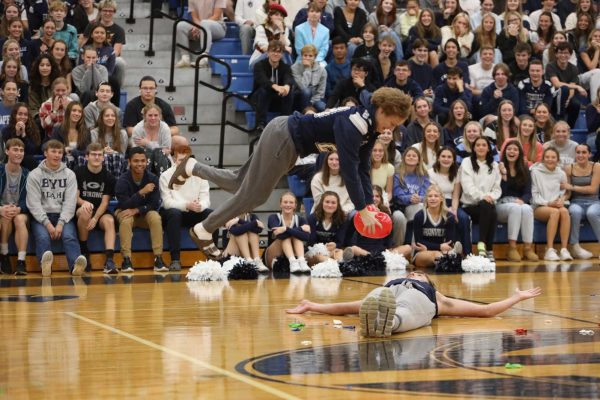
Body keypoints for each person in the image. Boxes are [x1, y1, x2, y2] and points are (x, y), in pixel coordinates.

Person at [168, 87, 412, 254]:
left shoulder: (370, 129)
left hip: (286, 138)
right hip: (285, 138)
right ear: (382, 110)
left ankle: (192, 166)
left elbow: (362, 170)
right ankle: (204, 229)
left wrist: (369, 204)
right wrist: (361, 208)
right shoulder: (356, 123)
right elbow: (348, 168)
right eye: (390, 123)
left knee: (238, 182)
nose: (389, 129)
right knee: (254, 196)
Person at [286, 270, 543, 337]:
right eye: (413, 273)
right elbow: (346, 307)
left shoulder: (436, 296)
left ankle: (389, 323)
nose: (415, 274)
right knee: (369, 302)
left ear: (429, 281)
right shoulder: (388, 285)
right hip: (385, 295)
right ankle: (378, 319)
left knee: (405, 310)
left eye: (420, 274)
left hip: (418, 301)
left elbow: (484, 311)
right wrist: (312, 305)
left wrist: (516, 297)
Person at [25, 139, 87, 276]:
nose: (57, 155)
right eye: (53, 151)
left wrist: (60, 223)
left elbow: (70, 202)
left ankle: (75, 266)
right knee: (42, 237)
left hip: (63, 216)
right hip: (41, 216)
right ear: (45, 153)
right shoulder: (34, 174)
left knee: (69, 236)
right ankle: (45, 266)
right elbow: (33, 203)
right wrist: (47, 224)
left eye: (60, 152)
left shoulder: (70, 174)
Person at [159, 144, 220, 270]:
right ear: (175, 159)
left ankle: (212, 259)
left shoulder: (200, 175)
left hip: (194, 210)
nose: (184, 164)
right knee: (174, 214)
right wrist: (187, 205)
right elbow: (167, 202)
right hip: (173, 212)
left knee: (212, 215)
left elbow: (205, 199)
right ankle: (175, 259)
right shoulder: (165, 175)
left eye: (186, 160)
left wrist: (200, 206)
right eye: (181, 160)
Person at [115, 147, 166, 273]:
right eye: (136, 161)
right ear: (129, 162)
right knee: (126, 220)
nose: (140, 164)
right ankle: (126, 260)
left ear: (146, 162)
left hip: (143, 213)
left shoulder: (153, 178)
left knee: (155, 216)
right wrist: (141, 192)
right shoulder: (122, 180)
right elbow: (125, 205)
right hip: (124, 211)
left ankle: (158, 258)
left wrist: (137, 210)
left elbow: (154, 204)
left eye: (143, 161)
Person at [75, 143, 117, 273]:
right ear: (87, 157)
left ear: (103, 158)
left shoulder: (108, 176)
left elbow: (105, 203)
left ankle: (109, 260)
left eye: (100, 155)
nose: (97, 157)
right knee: (86, 212)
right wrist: (84, 203)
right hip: (82, 210)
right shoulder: (78, 172)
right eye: (93, 154)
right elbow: (75, 198)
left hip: (100, 211)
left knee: (109, 221)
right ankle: (84, 252)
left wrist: (96, 218)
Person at [459, 136, 501, 261]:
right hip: (469, 206)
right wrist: (484, 197)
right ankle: (488, 248)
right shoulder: (466, 162)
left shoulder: (494, 165)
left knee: (490, 209)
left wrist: (490, 197)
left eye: (484, 145)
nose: (481, 147)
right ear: (474, 148)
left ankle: (483, 246)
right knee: (489, 208)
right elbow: (467, 187)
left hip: (486, 206)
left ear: (488, 148)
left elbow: (497, 189)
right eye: (478, 145)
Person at [497, 140, 538, 262]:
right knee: (516, 208)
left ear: (519, 153)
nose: (512, 152)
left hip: (518, 203)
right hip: (501, 204)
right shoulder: (498, 167)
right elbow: (499, 193)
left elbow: (528, 192)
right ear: (505, 152)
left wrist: (522, 200)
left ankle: (527, 248)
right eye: (509, 149)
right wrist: (503, 175)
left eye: (515, 149)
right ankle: (512, 248)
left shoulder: (524, 169)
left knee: (527, 208)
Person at [531, 147, 573, 261]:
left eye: (553, 157)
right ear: (543, 159)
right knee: (554, 212)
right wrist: (549, 203)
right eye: (547, 157)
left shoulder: (561, 173)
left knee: (564, 211)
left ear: (557, 159)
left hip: (556, 205)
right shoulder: (535, 172)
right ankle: (549, 249)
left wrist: (562, 199)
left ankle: (564, 249)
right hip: (539, 206)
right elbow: (534, 196)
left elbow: (564, 192)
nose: (550, 159)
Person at [428, 146, 471, 256]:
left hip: (452, 203)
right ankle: (451, 253)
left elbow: (455, 195)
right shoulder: (431, 172)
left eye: (449, 157)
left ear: (453, 160)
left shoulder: (456, 173)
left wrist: (454, 210)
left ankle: (468, 254)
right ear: (438, 158)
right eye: (443, 156)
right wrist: (448, 210)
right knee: (450, 218)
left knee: (463, 218)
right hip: (436, 203)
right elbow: (435, 194)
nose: (446, 159)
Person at [563, 144, 600, 259]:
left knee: (592, 213)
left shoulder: (596, 166)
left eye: (584, 152)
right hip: (576, 201)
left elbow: (593, 189)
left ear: (589, 154)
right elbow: (567, 192)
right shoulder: (569, 168)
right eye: (578, 152)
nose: (580, 155)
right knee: (575, 211)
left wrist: (573, 187)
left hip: (593, 201)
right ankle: (575, 246)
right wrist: (561, 199)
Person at [0, 138, 29, 275]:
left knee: (19, 219)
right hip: (2, 209)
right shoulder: (0, 170)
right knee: (5, 217)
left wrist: (19, 208)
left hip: (19, 210)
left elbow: (29, 200)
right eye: (15, 150)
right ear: (7, 151)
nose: (19, 153)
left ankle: (21, 262)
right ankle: (4, 255)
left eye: (21, 150)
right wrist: (1, 208)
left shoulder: (27, 174)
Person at [412, 185, 460, 268]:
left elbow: (450, 242)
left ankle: (447, 263)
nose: (433, 198)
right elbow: (419, 242)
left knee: (443, 254)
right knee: (436, 254)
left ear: (441, 199)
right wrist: (440, 246)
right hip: (421, 253)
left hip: (440, 251)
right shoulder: (419, 216)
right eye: (430, 196)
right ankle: (448, 263)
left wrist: (431, 247)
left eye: (436, 196)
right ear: (426, 199)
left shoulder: (449, 217)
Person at [391, 147, 430, 246]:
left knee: (418, 208)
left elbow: (425, 195)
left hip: (415, 206)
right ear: (404, 158)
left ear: (418, 160)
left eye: (414, 156)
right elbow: (396, 194)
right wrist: (410, 198)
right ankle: (398, 249)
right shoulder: (397, 175)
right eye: (408, 155)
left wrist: (419, 199)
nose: (411, 157)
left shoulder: (423, 176)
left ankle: (413, 247)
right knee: (398, 217)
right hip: (399, 207)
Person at [251, 40, 294, 131]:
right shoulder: (259, 65)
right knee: (264, 90)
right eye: (273, 51)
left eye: (279, 52)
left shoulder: (285, 66)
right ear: (268, 52)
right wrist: (275, 86)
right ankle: (260, 123)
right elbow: (262, 80)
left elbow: (289, 78)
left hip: (277, 98)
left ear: (282, 54)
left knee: (289, 91)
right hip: (260, 98)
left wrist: (286, 86)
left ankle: (285, 122)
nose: (276, 54)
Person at [266, 191, 311, 273]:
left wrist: (286, 229)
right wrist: (300, 229)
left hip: (295, 255)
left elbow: (306, 237)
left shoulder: (301, 219)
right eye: (285, 202)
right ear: (280, 204)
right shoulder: (273, 217)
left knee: (296, 237)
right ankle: (293, 261)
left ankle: (301, 261)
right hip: (273, 255)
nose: (288, 205)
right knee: (286, 237)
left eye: (291, 202)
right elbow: (280, 236)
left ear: (295, 205)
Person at [175, 0, 226, 67]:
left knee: (205, 23)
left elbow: (216, 16)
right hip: (200, 25)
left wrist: (200, 26)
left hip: (218, 26)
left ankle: (204, 57)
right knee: (180, 25)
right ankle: (185, 58)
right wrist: (198, 26)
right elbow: (195, 17)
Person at [306, 190, 348, 264]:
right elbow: (311, 242)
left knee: (340, 252)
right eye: (327, 202)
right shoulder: (312, 218)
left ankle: (340, 265)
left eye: (333, 203)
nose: (330, 205)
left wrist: (335, 245)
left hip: (332, 250)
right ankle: (336, 265)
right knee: (319, 257)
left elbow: (340, 242)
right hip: (315, 251)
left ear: (337, 205)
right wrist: (324, 248)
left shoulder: (342, 220)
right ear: (322, 203)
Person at [1, 103, 41, 171]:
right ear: (14, 115)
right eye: (20, 114)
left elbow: (32, 150)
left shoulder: (33, 129)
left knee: (29, 159)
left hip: (27, 161)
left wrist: (23, 134)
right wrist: (17, 134)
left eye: (25, 115)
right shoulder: (6, 130)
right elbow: (10, 149)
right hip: (11, 160)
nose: (23, 117)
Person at [249, 3, 291, 67]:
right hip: (259, 60)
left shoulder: (285, 29)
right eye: (276, 15)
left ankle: (287, 73)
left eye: (281, 16)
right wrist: (283, 48)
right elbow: (264, 48)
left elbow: (286, 45)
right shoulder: (261, 28)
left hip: (277, 60)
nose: (279, 17)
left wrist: (281, 31)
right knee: (271, 54)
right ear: (270, 16)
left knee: (285, 55)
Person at [55, 101, 90, 169]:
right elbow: (51, 147)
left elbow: (87, 151)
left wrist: (74, 152)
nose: (77, 113)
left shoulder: (85, 131)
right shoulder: (57, 129)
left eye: (79, 112)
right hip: (61, 162)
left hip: (79, 164)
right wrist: (63, 150)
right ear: (68, 112)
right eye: (74, 110)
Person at [292, 44, 327, 112]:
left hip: (315, 99)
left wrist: (311, 102)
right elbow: (302, 87)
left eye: (310, 56)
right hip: (300, 97)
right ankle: (304, 116)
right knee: (306, 91)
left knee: (322, 107)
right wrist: (308, 69)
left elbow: (321, 92)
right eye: (305, 55)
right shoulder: (295, 68)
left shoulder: (322, 70)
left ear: (315, 57)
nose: (307, 58)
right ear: (302, 56)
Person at [38, 77, 72, 142]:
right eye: (58, 90)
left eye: (63, 90)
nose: (60, 93)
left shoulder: (72, 104)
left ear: (67, 90)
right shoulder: (46, 105)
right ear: (53, 90)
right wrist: (54, 111)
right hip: (51, 139)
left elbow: (77, 124)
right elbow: (44, 126)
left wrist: (67, 110)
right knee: (57, 126)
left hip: (69, 138)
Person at [370, 140, 394, 206]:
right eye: (374, 150)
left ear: (384, 152)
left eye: (380, 151)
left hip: (381, 201)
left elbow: (389, 192)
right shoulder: (364, 167)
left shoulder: (389, 167)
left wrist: (385, 202)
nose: (377, 153)